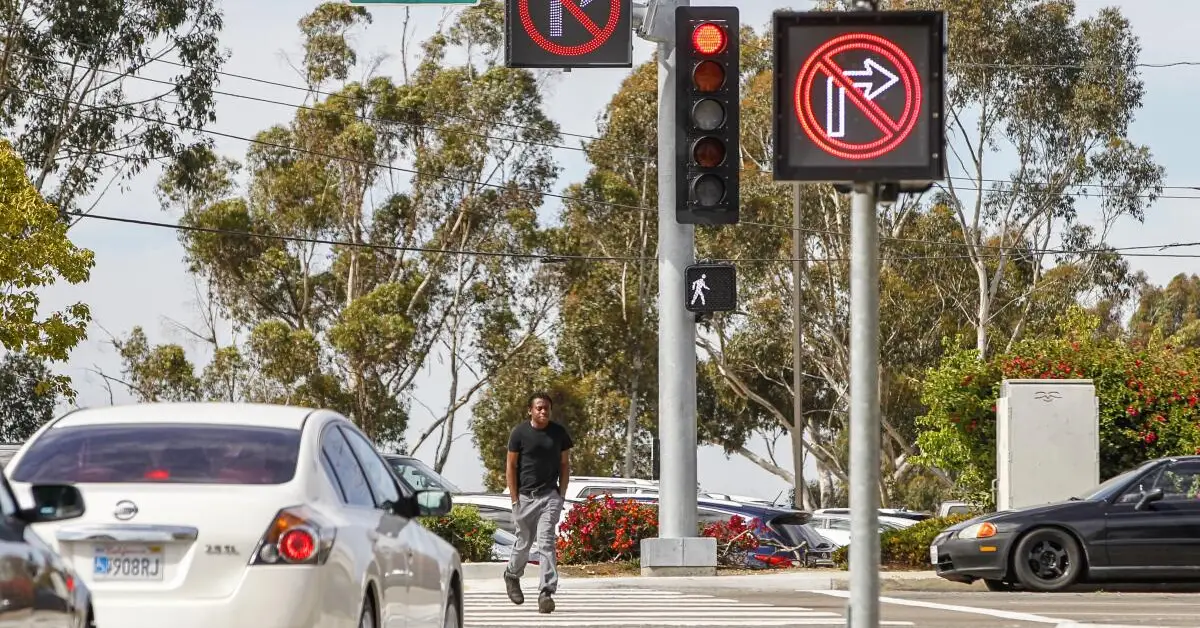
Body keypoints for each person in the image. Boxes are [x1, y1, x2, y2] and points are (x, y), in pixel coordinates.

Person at [502, 392, 573, 613]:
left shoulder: (558, 433)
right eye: (539, 408)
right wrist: (515, 500)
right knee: (523, 543)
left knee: (546, 543)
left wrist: (561, 495)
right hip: (524, 497)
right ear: (530, 410)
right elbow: (511, 467)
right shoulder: (519, 433)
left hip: (549, 496)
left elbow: (564, 465)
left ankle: (546, 592)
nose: (543, 412)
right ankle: (512, 575)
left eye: (547, 408)